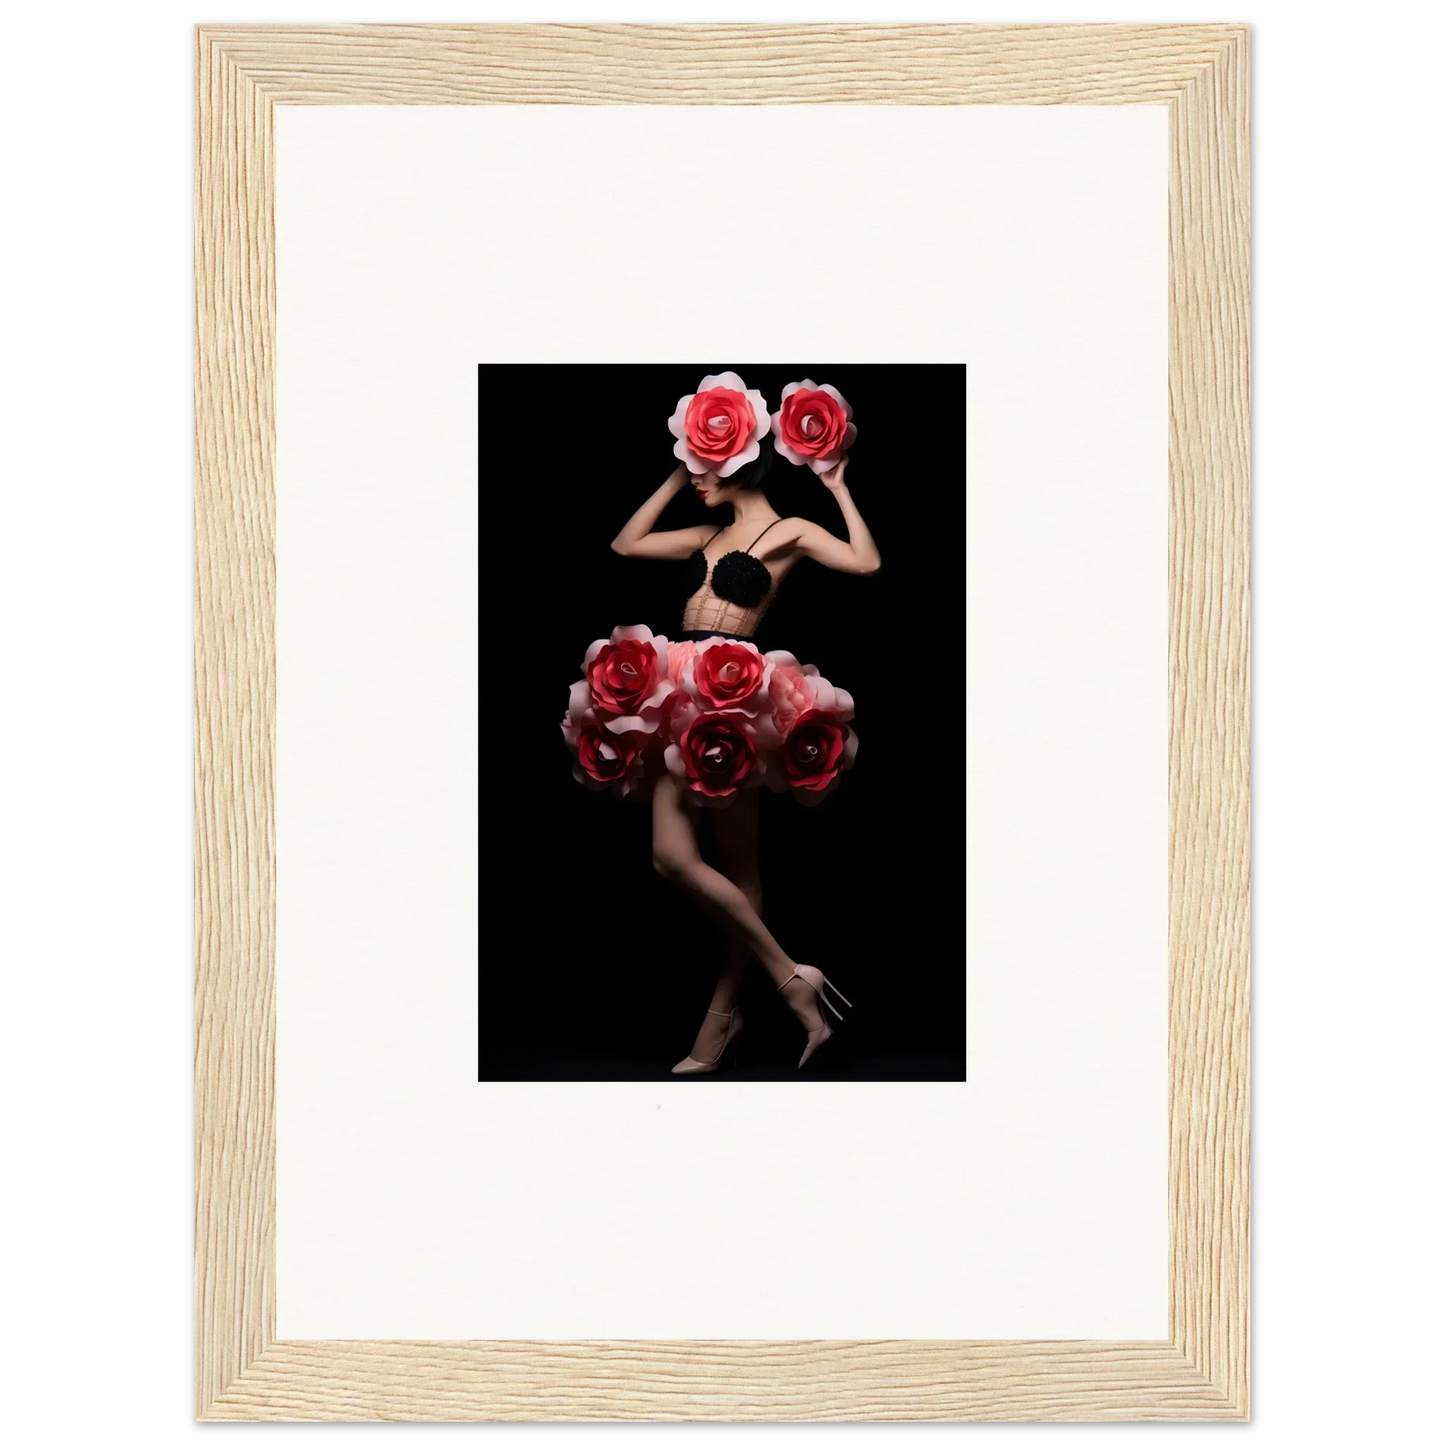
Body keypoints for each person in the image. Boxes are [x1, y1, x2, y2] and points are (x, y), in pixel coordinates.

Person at [601, 381, 882, 1075]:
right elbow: (625, 542)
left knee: (738, 862)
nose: (696, 480)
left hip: (739, 692)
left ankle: (720, 1021)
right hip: (682, 686)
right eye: (692, 467)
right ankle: (791, 976)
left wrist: (837, 487)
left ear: (740, 463)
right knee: (672, 856)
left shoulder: (788, 530)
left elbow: (866, 561)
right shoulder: (706, 532)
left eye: (704, 467)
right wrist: (679, 467)